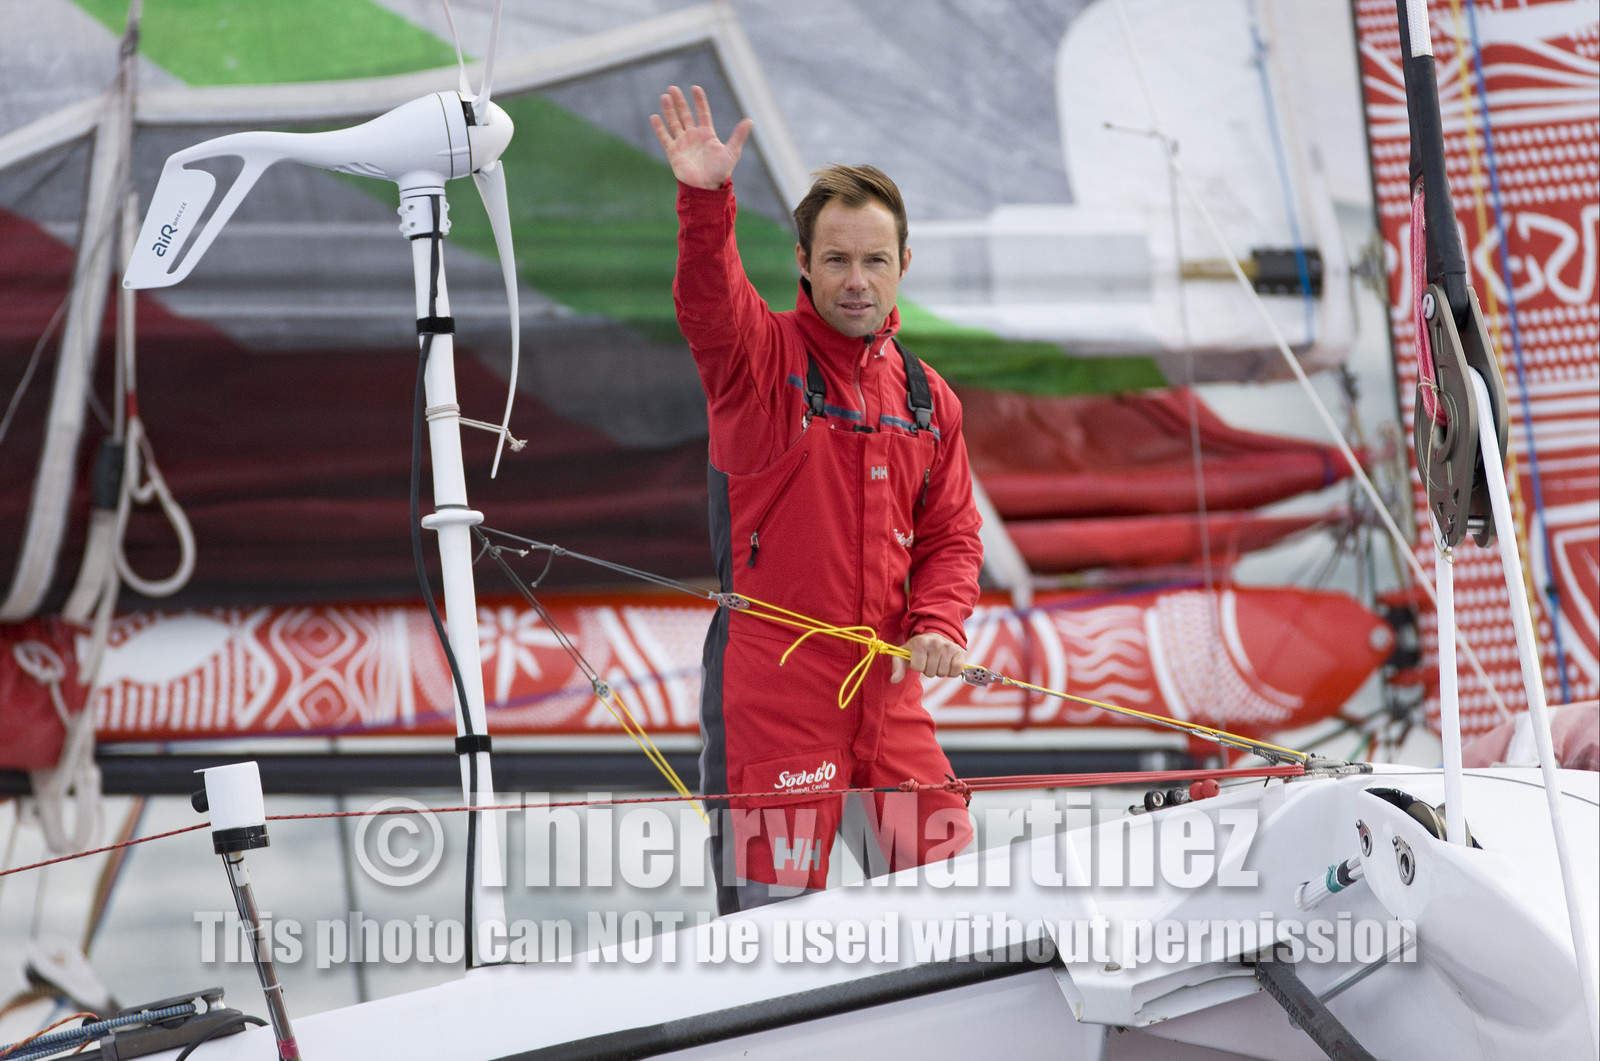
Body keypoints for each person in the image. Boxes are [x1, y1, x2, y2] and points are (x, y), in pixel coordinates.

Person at [652, 85, 983, 913]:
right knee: (773, 938)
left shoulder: (929, 399)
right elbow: (708, 305)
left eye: (875, 260)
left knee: (959, 908)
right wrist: (705, 200)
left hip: (887, 693)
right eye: (836, 259)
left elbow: (952, 536)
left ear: (904, 264)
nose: (857, 280)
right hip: (774, 694)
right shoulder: (757, 363)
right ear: (802, 262)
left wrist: (939, 622)